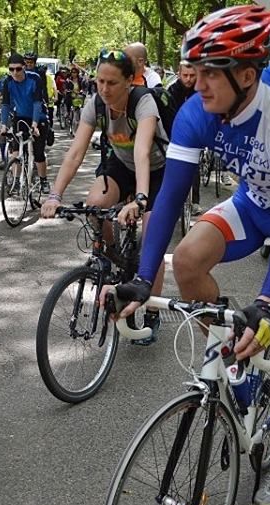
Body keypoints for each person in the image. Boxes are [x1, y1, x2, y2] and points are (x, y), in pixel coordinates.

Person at [113, 5, 270, 505]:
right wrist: (143, 277)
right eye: (197, 70)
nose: (199, 82)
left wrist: (269, 304)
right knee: (186, 261)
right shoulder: (197, 111)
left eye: (212, 72)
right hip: (251, 206)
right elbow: (170, 197)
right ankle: (234, 354)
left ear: (247, 75)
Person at [41, 49, 169, 345]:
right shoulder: (96, 103)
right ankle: (112, 254)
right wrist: (55, 195)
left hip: (157, 170)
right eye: (100, 81)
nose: (104, 89)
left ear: (129, 81)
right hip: (121, 166)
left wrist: (140, 199)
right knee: (94, 205)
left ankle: (152, 311)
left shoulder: (143, 102)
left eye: (112, 83)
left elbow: (142, 152)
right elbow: (75, 153)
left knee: (152, 238)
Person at [0, 53, 50, 193]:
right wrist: (3, 125)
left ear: (24, 67)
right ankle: (16, 182)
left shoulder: (35, 78)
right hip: (20, 117)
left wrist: (35, 124)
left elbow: (37, 103)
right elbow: (5, 104)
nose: (15, 72)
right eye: (11, 69)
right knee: (16, 149)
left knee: (38, 152)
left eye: (18, 69)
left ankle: (43, 180)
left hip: (38, 117)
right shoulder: (8, 82)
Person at [167, 60, 201, 216]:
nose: (188, 79)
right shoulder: (172, 90)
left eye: (192, 75)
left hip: (197, 130)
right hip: (176, 130)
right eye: (185, 75)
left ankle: (195, 201)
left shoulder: (202, 89)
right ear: (179, 74)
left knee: (194, 165)